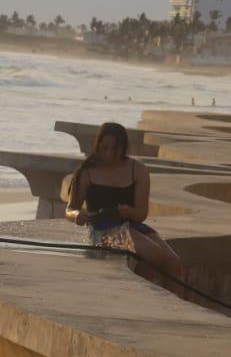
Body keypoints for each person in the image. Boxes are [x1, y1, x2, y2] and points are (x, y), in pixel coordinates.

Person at [64, 122, 186, 297]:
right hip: (102, 228)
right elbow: (70, 209)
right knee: (153, 255)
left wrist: (126, 212)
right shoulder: (86, 171)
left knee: (174, 263)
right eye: (104, 148)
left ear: (123, 148)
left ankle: (176, 311)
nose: (109, 154)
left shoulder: (138, 170)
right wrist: (78, 215)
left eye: (114, 149)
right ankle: (137, 296)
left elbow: (141, 213)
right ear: (98, 145)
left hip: (131, 224)